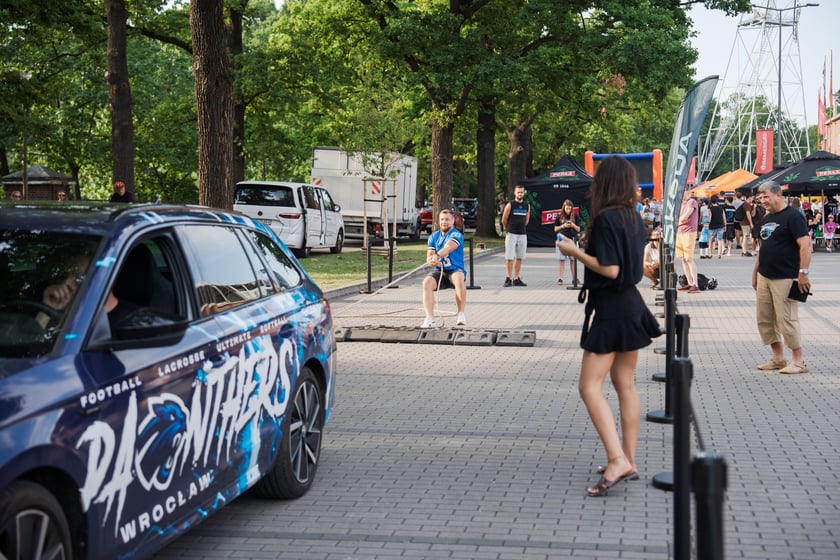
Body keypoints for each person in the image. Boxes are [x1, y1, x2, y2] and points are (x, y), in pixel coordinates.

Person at [556, 156, 660, 497]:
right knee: (625, 384)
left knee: (589, 386)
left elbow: (611, 269)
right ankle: (628, 458)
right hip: (631, 304)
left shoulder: (605, 219)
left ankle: (617, 459)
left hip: (613, 307)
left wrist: (575, 252)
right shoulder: (633, 217)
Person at [753, 180, 811, 375]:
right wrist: (755, 273)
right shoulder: (767, 218)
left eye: (766, 197)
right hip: (764, 276)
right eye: (760, 197)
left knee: (786, 319)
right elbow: (763, 247)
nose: (763, 201)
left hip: (785, 277)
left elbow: (806, 245)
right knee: (765, 319)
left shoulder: (793, 217)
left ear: (778, 194)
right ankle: (778, 358)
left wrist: (803, 273)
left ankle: (799, 361)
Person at [421, 209, 467, 328]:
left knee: (458, 278)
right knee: (426, 282)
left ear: (453, 220)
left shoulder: (456, 234)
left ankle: (461, 314)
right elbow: (429, 256)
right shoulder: (434, 236)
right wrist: (431, 260)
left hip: (455, 270)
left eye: (447, 219)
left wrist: (437, 255)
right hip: (440, 271)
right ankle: (429, 318)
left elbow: (448, 248)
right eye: (442, 219)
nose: (444, 222)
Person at [501, 184, 530, 287]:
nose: (520, 194)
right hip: (511, 234)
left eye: (521, 192)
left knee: (520, 257)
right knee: (509, 257)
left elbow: (527, 220)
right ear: (514, 193)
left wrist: (522, 226)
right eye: (518, 192)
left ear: (524, 193)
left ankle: (516, 278)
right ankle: (508, 278)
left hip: (522, 234)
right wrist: (507, 229)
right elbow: (504, 219)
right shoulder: (510, 204)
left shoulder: (527, 205)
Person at [675, 191, 701, 293]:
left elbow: (685, 217)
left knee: (688, 258)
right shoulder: (681, 204)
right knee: (683, 259)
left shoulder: (692, 202)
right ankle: (690, 283)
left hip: (689, 232)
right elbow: (680, 218)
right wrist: (680, 221)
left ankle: (695, 284)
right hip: (680, 232)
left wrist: (678, 221)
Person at [553, 199, 581, 284]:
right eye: (566, 208)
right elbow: (555, 229)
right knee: (561, 260)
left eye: (570, 208)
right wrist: (563, 226)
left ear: (572, 208)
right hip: (562, 239)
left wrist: (573, 225)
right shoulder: (559, 216)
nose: (568, 210)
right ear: (563, 208)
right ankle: (560, 278)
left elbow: (578, 229)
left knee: (573, 260)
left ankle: (574, 278)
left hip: (572, 240)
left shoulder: (576, 216)